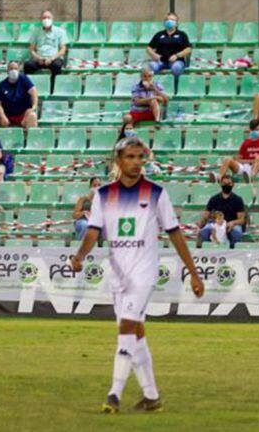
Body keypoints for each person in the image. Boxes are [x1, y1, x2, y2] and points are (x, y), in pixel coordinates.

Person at [68, 136, 205, 414]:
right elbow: (93, 230)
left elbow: (175, 233)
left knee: (126, 330)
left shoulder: (156, 193)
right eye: (129, 157)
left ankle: (114, 394)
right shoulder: (104, 195)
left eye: (140, 157)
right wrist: (80, 256)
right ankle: (151, 397)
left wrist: (193, 272)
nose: (136, 162)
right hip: (119, 275)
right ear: (118, 161)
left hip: (144, 274)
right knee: (137, 334)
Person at [217, 119, 259, 183]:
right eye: (253, 130)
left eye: (257, 130)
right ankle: (219, 178)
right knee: (227, 160)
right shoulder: (246, 143)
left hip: (258, 167)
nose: (255, 132)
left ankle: (251, 177)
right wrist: (250, 161)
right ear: (250, 130)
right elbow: (239, 159)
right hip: (245, 167)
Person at [0, 61, 38, 130]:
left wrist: (33, 108)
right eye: (11, 68)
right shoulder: (1, 85)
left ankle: (30, 139)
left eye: (16, 68)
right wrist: (3, 116)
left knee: (32, 116)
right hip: (6, 115)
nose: (13, 71)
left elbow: (34, 93)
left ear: (19, 70)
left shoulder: (24, 80)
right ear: (7, 70)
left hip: (23, 115)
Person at [25, 9, 68, 90]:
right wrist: (38, 58)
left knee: (57, 65)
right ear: (41, 19)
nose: (46, 19)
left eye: (48, 17)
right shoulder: (35, 31)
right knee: (28, 65)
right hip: (39, 59)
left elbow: (63, 50)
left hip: (53, 58)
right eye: (44, 18)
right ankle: (30, 89)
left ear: (52, 19)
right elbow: (31, 49)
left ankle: (53, 89)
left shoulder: (60, 31)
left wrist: (52, 58)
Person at [200, 175, 248, 247]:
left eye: (229, 183)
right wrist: (200, 225)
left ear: (233, 184)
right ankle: (209, 249)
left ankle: (233, 252)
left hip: (231, 223)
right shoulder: (214, 198)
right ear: (220, 184)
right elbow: (206, 215)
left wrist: (233, 223)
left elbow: (241, 220)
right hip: (216, 223)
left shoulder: (238, 199)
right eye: (224, 183)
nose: (226, 185)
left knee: (237, 233)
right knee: (205, 231)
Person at [146, 12, 192, 79]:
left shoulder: (182, 35)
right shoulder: (159, 34)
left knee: (176, 68)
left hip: (176, 61)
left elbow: (188, 49)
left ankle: (176, 86)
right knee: (151, 67)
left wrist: (177, 56)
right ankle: (155, 86)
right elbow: (149, 48)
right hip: (161, 61)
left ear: (176, 23)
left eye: (172, 20)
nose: (169, 21)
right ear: (164, 22)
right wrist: (154, 55)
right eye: (168, 19)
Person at [72, 176, 102, 240]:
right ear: (90, 186)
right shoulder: (83, 199)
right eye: (94, 185)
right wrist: (84, 212)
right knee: (86, 225)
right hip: (82, 221)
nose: (97, 187)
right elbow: (74, 215)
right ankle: (80, 246)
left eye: (99, 185)